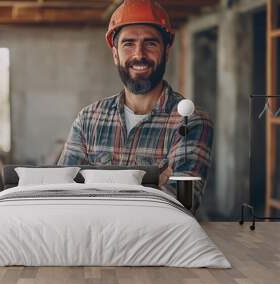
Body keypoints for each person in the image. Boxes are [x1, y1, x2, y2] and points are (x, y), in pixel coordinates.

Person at [57, 0, 213, 210]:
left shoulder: (190, 122)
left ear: (166, 51)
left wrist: (96, 187)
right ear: (115, 54)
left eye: (150, 43)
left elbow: (181, 204)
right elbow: (61, 194)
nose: (139, 54)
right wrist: (152, 183)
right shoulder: (88, 119)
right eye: (128, 44)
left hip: (157, 243)